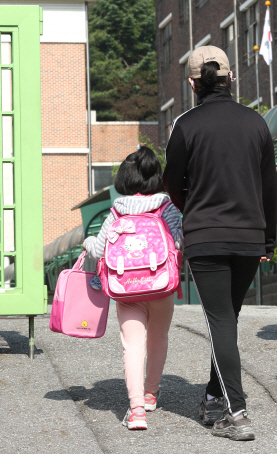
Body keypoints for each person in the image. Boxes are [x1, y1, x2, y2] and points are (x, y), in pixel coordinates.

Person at [163, 46, 277, 441]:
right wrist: (269, 237)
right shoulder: (256, 122)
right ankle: (215, 397)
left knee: (220, 321)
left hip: (206, 235)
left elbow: (171, 182)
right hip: (249, 235)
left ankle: (236, 411)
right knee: (226, 319)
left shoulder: (186, 125)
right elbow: (269, 187)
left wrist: (191, 206)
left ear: (193, 84)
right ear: (232, 78)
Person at [83, 146, 183, 430]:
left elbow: (100, 248)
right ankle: (151, 394)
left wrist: (87, 244)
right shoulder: (167, 208)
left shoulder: (117, 211)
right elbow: (177, 243)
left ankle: (136, 410)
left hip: (126, 289)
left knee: (132, 346)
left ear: (125, 179)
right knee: (158, 339)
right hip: (161, 285)